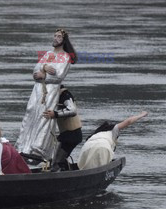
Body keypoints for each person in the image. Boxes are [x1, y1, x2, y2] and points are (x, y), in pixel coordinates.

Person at [16, 28, 77, 161]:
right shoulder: (48, 54)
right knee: (31, 113)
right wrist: (43, 69)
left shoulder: (65, 57)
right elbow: (35, 71)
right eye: (54, 35)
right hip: (37, 90)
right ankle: (23, 146)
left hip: (50, 91)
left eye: (59, 36)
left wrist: (43, 75)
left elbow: (59, 75)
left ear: (63, 40)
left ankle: (39, 149)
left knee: (44, 116)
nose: (55, 38)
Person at [78, 111, 148, 170]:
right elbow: (128, 121)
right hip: (103, 146)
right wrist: (141, 115)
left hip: (86, 147)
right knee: (101, 170)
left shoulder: (95, 134)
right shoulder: (113, 130)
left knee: (85, 168)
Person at [42, 85, 82, 171]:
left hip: (72, 134)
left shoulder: (65, 95)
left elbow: (73, 110)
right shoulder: (56, 96)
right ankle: (65, 171)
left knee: (56, 163)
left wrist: (55, 114)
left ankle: (61, 178)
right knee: (56, 162)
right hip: (66, 134)